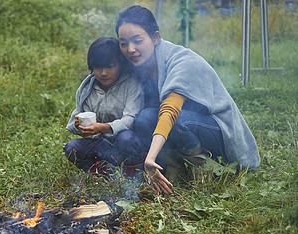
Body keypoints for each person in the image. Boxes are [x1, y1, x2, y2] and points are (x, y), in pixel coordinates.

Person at [115, 5, 260, 193]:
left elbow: (170, 110)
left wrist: (149, 158)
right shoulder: (137, 65)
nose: (130, 49)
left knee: (178, 121)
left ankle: (203, 167)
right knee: (143, 118)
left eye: (137, 41)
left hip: (217, 131)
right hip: (179, 126)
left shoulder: (182, 61)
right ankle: (175, 165)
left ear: (155, 37)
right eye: (123, 43)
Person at [64, 37, 145, 176]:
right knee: (73, 148)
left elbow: (132, 119)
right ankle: (105, 174)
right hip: (100, 144)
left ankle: (132, 173)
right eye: (98, 67)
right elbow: (79, 115)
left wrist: (106, 127)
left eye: (110, 66)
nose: (103, 73)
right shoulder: (86, 89)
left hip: (124, 141)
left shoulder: (131, 84)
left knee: (127, 139)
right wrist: (79, 126)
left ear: (121, 65)